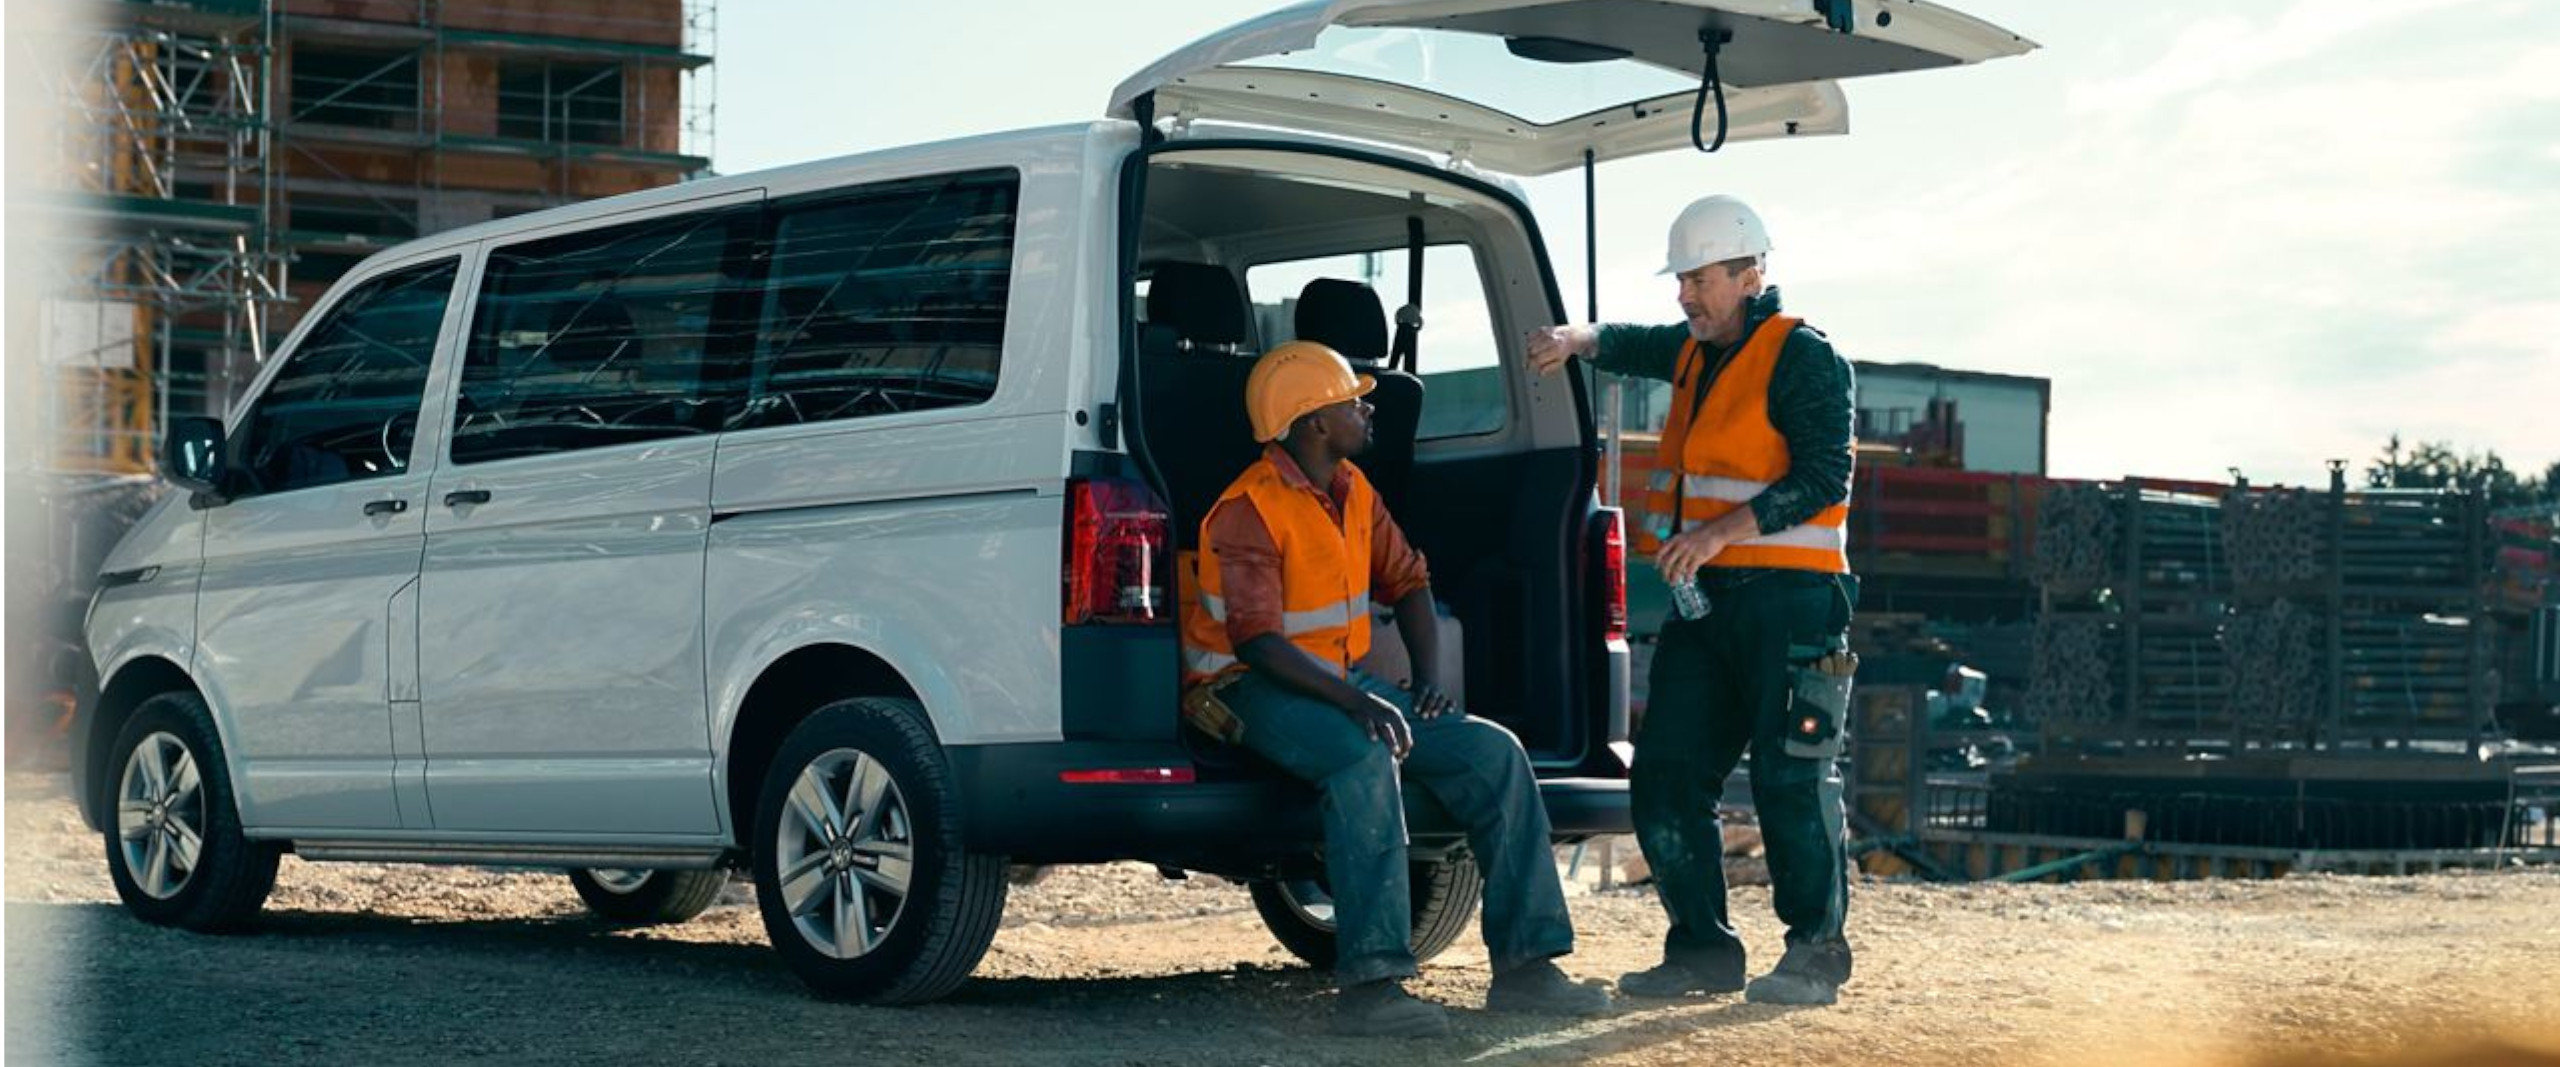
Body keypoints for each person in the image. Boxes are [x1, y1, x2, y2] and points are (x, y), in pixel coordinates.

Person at [1179, 340, 1609, 1036]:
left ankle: (1529, 967)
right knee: (1359, 751)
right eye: (1354, 399)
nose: (1368, 407)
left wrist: (1431, 682)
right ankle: (1372, 984)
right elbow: (1255, 641)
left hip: (1334, 682)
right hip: (1239, 687)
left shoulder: (1354, 490)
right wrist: (1359, 700)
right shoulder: (1247, 509)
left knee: (1494, 751)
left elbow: (1409, 580)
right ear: (1315, 421)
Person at [1525, 195, 1859, 1007]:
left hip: (1793, 603)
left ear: (1751, 275)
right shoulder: (1695, 349)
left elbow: (1824, 476)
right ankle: (1702, 952)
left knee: (1791, 778)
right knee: (1667, 772)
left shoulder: (1805, 357)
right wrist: (1578, 339)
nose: (1686, 295)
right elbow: (1639, 342)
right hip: (1707, 605)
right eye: (1681, 280)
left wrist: (1719, 533)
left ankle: (1815, 952)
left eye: (1700, 279)